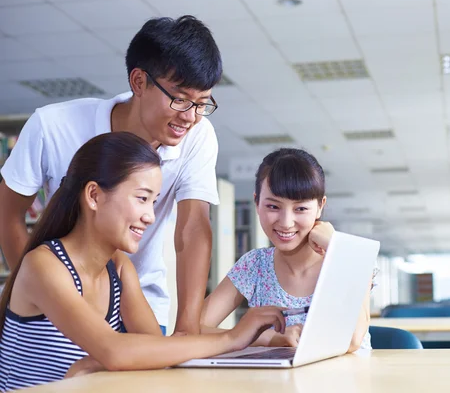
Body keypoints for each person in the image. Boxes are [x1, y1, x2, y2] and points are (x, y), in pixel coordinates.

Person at [0, 133, 285, 392]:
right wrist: (232, 338)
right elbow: (115, 351)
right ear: (94, 196)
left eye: (154, 201)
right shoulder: (43, 265)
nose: (150, 216)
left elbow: (160, 352)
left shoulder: (120, 269)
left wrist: (255, 339)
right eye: (142, 199)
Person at [0, 15, 222, 335]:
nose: (190, 117)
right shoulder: (53, 126)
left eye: (202, 104)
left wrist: (189, 326)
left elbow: (192, 228)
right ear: (139, 82)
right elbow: (8, 215)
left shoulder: (199, 137)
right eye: (180, 98)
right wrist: (41, 291)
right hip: (58, 302)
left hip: (141, 303)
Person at [200, 148, 371, 352]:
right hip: (276, 383)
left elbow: (352, 340)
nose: (286, 222)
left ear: (320, 206)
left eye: (300, 209)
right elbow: (193, 330)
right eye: (273, 207)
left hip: (345, 381)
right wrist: (269, 338)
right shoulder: (255, 265)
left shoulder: (351, 257)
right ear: (257, 203)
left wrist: (335, 248)